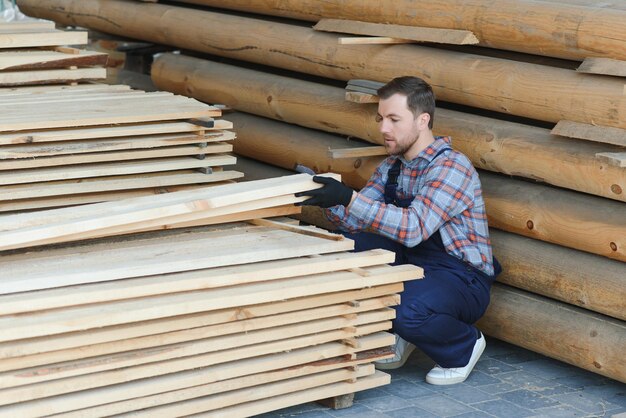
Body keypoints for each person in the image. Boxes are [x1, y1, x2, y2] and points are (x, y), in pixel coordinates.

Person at [295, 76, 501, 385]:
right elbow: (355, 221)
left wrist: (349, 197)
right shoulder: (393, 166)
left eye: (394, 119)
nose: (383, 128)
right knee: (348, 249)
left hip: (461, 278)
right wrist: (325, 196)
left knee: (405, 308)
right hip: (416, 264)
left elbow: (414, 228)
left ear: (422, 120)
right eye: (381, 118)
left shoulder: (451, 168)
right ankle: (405, 331)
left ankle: (463, 345)